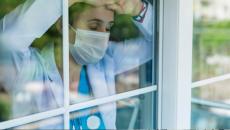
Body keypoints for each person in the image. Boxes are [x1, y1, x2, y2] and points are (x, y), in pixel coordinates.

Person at [0, 0, 153, 129]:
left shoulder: (107, 60)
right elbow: (7, 38)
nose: (103, 36)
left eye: (108, 28)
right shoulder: (29, 67)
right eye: (93, 26)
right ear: (62, 25)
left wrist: (139, 9)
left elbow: (160, 43)